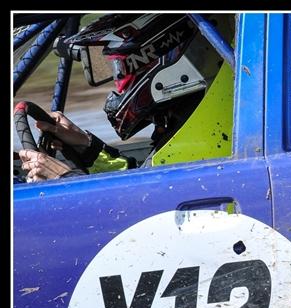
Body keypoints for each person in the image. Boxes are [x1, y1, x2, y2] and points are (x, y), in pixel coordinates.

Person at [19, 13, 232, 182]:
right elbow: (144, 182)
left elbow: (150, 210)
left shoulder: (210, 129)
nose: (117, 81)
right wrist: (88, 147)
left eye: (118, 68)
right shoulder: (195, 119)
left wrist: (63, 178)